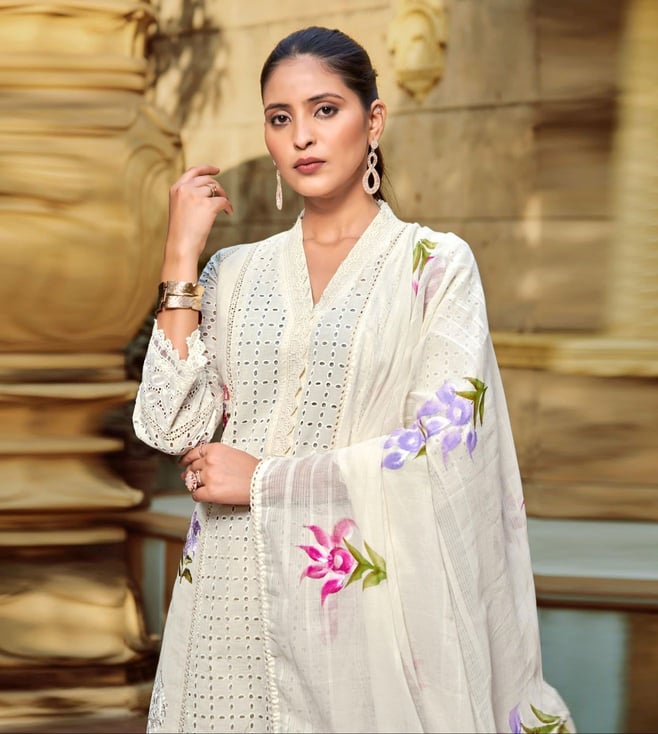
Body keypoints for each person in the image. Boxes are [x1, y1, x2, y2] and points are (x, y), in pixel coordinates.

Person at [133, 25, 574, 734]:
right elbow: (170, 426)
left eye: (325, 110)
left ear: (373, 121)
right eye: (280, 119)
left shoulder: (433, 267)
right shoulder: (233, 273)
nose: (302, 136)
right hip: (226, 599)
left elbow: (444, 451)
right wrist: (181, 257)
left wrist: (264, 480)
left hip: (355, 608)